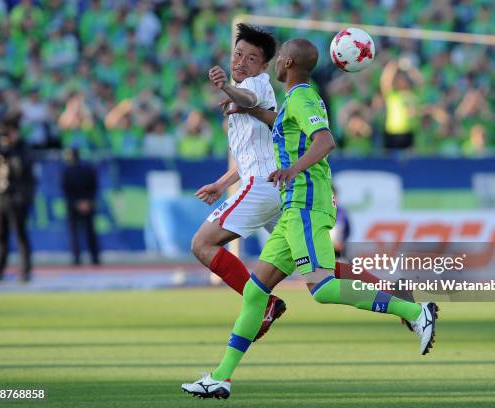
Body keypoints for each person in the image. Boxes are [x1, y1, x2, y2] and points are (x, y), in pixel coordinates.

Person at [182, 39, 438, 399]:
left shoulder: (302, 97)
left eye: (275, 59)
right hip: (291, 208)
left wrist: (292, 169)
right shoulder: (296, 99)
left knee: (323, 288)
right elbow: (277, 122)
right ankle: (221, 377)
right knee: (256, 292)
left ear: (285, 61)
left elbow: (325, 141)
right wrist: (252, 115)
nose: (272, 65)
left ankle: (414, 311)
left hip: (305, 201)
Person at [189, 23, 286, 342]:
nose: (241, 62)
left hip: (261, 187)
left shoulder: (257, 85)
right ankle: (399, 302)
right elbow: (249, 156)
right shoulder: (240, 100)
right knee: (318, 271)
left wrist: (227, 89)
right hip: (272, 188)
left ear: (264, 66)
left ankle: (263, 302)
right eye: (238, 54)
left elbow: (246, 96)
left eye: (251, 58)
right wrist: (221, 183)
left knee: (202, 244)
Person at [0, 112, 36, 282]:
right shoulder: (0, 148)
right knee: (1, 235)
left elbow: (20, 168)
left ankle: (25, 271)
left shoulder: (23, 148)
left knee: (20, 234)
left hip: (18, 197)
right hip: (2, 196)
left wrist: (11, 149)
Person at [61, 148, 100, 266]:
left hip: (74, 205)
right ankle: (94, 258)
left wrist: (77, 203)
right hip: (86, 204)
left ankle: (77, 258)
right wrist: (87, 202)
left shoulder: (67, 171)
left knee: (75, 233)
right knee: (89, 233)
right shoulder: (88, 169)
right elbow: (94, 187)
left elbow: (66, 190)